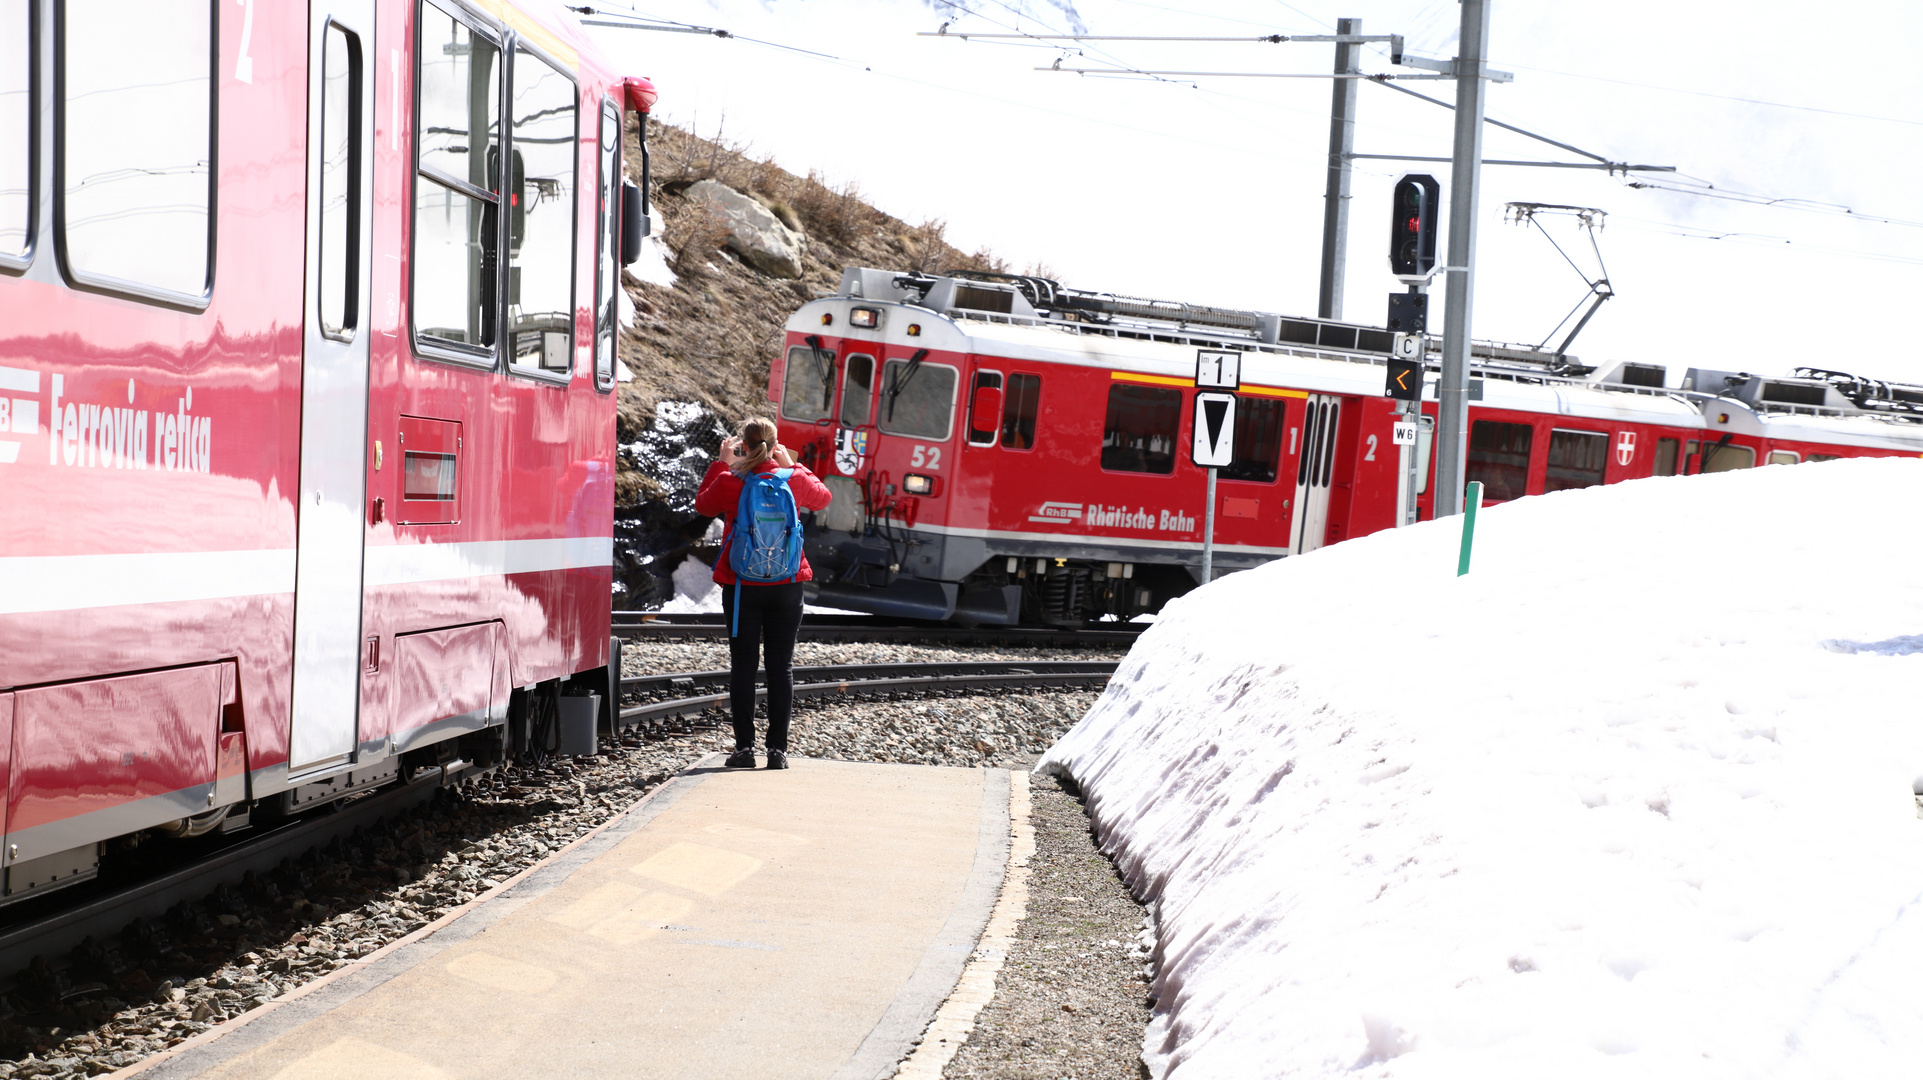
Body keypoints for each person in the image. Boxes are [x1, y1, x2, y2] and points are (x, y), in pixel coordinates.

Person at [693, 417, 832, 770]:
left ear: (744, 445)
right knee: (780, 668)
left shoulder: (730, 481)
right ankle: (778, 751)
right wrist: (794, 465)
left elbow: (702, 507)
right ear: (774, 444)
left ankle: (744, 750)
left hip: (742, 589)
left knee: (743, 667)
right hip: (786, 587)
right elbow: (823, 498)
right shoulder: (794, 479)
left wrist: (721, 463)